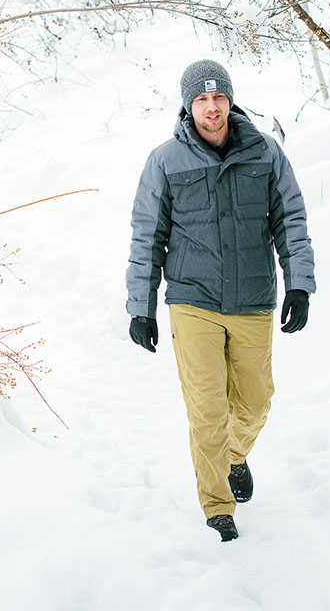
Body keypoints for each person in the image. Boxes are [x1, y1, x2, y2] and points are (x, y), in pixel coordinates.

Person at [125, 59, 315, 542]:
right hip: (193, 301)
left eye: (219, 98)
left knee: (255, 401)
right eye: (202, 99)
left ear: (230, 101)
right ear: (188, 106)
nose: (212, 108)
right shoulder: (165, 161)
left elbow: (289, 218)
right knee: (207, 409)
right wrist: (141, 308)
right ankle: (217, 506)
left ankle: (233, 457)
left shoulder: (265, 152)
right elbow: (148, 237)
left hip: (253, 298)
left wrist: (299, 283)